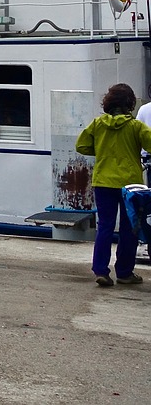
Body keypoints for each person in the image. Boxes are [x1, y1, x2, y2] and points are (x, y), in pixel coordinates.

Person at [76, 83, 151, 287]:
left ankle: (101, 270)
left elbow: (81, 145)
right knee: (130, 228)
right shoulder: (135, 126)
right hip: (130, 184)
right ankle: (125, 272)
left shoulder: (98, 124)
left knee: (105, 226)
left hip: (103, 182)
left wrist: (102, 152)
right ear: (130, 103)